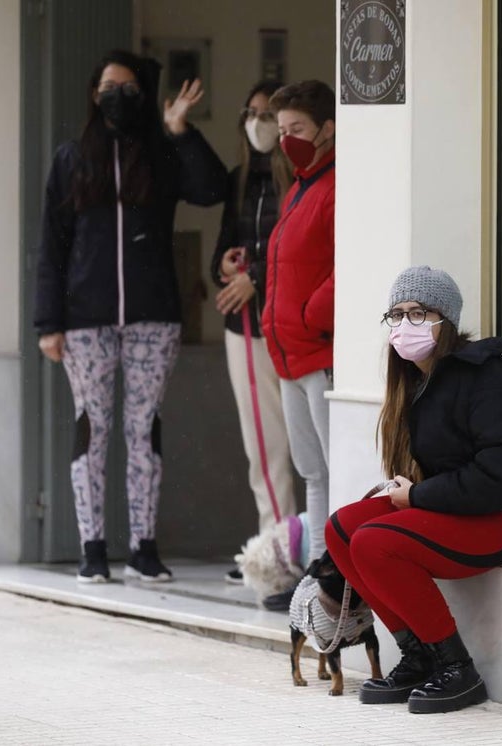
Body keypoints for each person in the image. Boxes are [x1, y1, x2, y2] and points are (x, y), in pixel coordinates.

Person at [325, 266, 502, 714]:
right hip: (478, 509)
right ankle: (419, 655)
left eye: (419, 313)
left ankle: (456, 669)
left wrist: (419, 498)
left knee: (376, 542)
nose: (406, 325)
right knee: (344, 528)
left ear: (446, 320)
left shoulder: (488, 377)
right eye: (397, 314)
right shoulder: (422, 381)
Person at [34, 50, 227, 584]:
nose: (116, 93)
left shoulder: (161, 156)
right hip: (84, 321)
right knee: (92, 430)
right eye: (106, 85)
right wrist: (47, 323)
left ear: (141, 93)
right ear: (94, 95)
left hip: (153, 319)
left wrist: (180, 130)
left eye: (126, 85)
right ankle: (92, 547)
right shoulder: (71, 159)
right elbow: (51, 244)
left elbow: (211, 190)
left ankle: (143, 545)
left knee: (143, 432)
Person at [211, 80, 297, 585]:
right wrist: (224, 266)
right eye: (252, 113)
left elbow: (301, 248)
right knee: (262, 448)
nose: (259, 123)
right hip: (243, 329)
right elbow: (223, 245)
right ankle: (274, 548)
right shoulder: (239, 179)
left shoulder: (300, 180)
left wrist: (257, 277)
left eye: (271, 115)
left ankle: (303, 550)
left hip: (290, 326)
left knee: (302, 446)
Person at [261, 80, 336, 570]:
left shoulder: (337, 187)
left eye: (299, 128)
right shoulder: (298, 187)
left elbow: (347, 266)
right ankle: (318, 570)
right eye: (283, 129)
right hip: (289, 356)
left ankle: (343, 573)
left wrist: (313, 315)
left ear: (327, 128)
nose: (289, 139)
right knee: (312, 473)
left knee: (337, 469)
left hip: (319, 353)